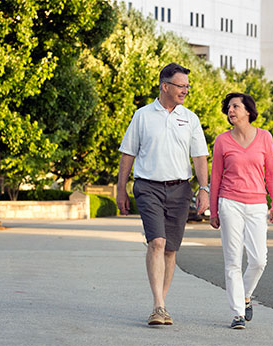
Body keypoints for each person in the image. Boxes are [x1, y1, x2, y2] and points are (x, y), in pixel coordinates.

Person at [116, 62, 209, 326]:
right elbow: (128, 154)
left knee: (170, 249)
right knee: (156, 242)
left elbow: (200, 156)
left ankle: (161, 305)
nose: (186, 91)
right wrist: (121, 189)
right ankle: (158, 305)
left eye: (188, 86)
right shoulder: (142, 115)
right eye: (181, 86)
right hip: (148, 187)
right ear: (165, 86)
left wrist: (204, 189)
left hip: (180, 189)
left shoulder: (190, 118)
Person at [209, 92, 273, 329]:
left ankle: (246, 294)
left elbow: (270, 173)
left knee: (259, 260)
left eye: (236, 106)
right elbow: (216, 176)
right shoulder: (222, 140)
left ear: (248, 111)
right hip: (229, 203)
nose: (231, 110)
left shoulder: (264, 137)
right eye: (228, 107)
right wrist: (213, 210)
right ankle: (238, 313)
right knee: (232, 261)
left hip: (257, 204)